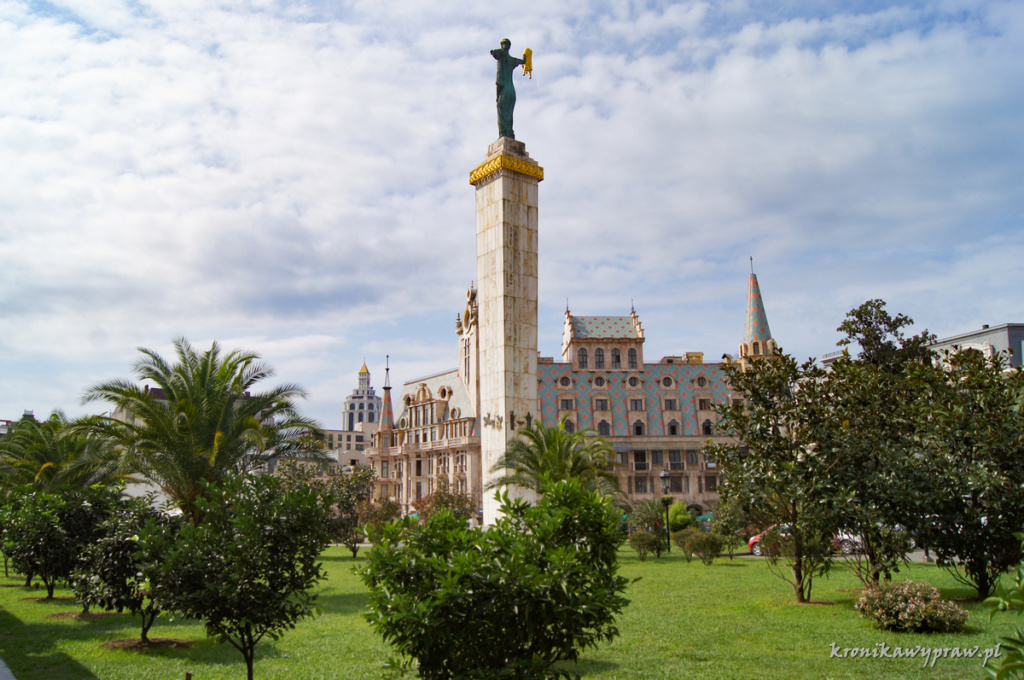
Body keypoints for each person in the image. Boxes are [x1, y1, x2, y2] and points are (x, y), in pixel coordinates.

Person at [491, 39, 526, 139]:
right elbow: (524, 61)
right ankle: (510, 134)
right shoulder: (512, 60)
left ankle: (503, 134)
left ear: (502, 46)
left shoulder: (502, 57)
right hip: (512, 91)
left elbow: (499, 82)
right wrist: (526, 53)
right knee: (509, 114)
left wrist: (497, 96)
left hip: (504, 90)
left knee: (501, 113)